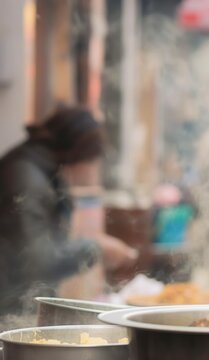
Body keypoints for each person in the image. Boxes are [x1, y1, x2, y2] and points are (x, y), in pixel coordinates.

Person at [0, 106, 138, 318]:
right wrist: (96, 248)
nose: (93, 169)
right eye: (92, 160)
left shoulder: (38, 169)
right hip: (9, 311)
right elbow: (37, 262)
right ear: (79, 152)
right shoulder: (27, 179)